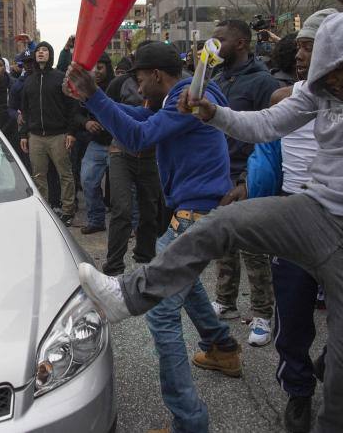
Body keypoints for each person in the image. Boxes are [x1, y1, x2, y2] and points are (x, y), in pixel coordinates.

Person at [75, 0, 343, 433]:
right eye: (323, 76)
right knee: (222, 225)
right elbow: (266, 124)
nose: (332, 84)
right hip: (314, 211)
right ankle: (128, 295)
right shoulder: (320, 87)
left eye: (339, 72)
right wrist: (216, 115)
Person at [65, 41, 241, 433]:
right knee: (184, 281)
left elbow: (140, 138)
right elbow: (139, 118)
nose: (138, 87)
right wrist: (91, 99)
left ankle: (189, 423)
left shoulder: (189, 97)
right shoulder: (176, 98)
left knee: (161, 311)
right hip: (195, 212)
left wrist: (94, 95)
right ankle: (222, 347)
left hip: (195, 216)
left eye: (140, 79)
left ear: (157, 76)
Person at [264, 8, 336, 433]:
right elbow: (260, 138)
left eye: (310, 46)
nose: (299, 54)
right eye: (300, 46)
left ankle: (332, 361)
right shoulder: (283, 99)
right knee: (292, 314)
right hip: (293, 213)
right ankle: (299, 391)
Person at [210, 19, 280, 346]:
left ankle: (263, 313)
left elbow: (269, 136)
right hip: (219, 174)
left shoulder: (263, 82)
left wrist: (247, 179)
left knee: (253, 248)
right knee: (224, 243)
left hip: (247, 176)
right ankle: (225, 302)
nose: (214, 44)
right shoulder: (217, 78)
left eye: (219, 39)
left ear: (240, 43)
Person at [102, 47, 163, 275]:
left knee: (149, 210)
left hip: (150, 157)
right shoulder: (120, 83)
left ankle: (145, 258)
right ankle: (114, 265)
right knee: (122, 209)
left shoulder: (166, 87)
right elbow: (106, 108)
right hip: (121, 153)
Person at [19, 42, 83, 226]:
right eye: (38, 50)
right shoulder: (29, 81)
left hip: (59, 135)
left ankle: (68, 210)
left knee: (65, 174)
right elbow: (25, 110)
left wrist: (71, 132)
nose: (41, 53)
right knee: (38, 175)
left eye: (45, 50)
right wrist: (24, 134)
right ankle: (44, 208)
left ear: (51, 55)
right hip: (36, 136)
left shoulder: (60, 78)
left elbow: (72, 107)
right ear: (34, 55)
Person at [79, 53, 114, 234]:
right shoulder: (85, 89)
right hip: (96, 144)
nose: (96, 72)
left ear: (107, 67)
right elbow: (76, 112)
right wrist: (86, 122)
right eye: (92, 68)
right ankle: (96, 220)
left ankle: (134, 224)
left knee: (123, 189)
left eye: (99, 68)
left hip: (117, 144)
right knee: (87, 180)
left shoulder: (116, 86)